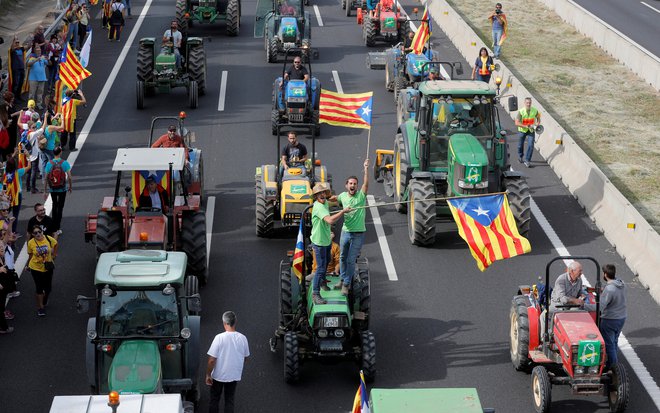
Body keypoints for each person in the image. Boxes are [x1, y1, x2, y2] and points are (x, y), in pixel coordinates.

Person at [310, 183, 351, 304]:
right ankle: (315, 294)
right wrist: (343, 211)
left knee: (327, 260)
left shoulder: (325, 202)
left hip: (326, 240)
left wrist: (344, 198)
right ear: (316, 196)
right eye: (319, 194)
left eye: (323, 193)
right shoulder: (318, 207)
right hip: (319, 243)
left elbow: (334, 200)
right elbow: (330, 220)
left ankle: (322, 282)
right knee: (321, 268)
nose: (322, 195)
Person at [333, 159, 369, 295]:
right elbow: (333, 199)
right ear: (346, 186)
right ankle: (342, 279)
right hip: (345, 232)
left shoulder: (361, 195)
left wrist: (365, 168)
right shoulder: (342, 196)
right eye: (350, 183)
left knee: (350, 260)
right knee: (342, 257)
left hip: (358, 233)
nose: (353, 185)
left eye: (355, 184)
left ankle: (346, 284)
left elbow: (366, 184)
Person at [206, 311, 250, 413]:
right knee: (229, 400)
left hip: (218, 376)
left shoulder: (219, 338)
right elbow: (246, 358)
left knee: (214, 400)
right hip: (234, 376)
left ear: (224, 323)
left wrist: (208, 375)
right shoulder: (243, 338)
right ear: (235, 322)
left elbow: (212, 360)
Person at [599, 264, 627, 371]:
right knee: (614, 341)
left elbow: (601, 306)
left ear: (605, 274)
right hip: (621, 318)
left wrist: (583, 304)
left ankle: (613, 367)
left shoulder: (609, 289)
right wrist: (604, 290)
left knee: (609, 344)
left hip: (610, 320)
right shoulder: (622, 283)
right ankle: (616, 363)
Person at [27, 224, 58, 317]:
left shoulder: (48, 239)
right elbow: (30, 255)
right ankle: (40, 307)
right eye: (35, 233)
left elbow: (55, 244)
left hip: (47, 267)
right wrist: (28, 265)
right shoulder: (31, 243)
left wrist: (54, 255)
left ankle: (44, 299)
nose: (38, 234)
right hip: (35, 268)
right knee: (39, 287)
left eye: (39, 232)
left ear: (42, 231)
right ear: (32, 234)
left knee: (48, 288)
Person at [44, 146, 73, 234]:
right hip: (62, 188)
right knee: (60, 207)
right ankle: (58, 227)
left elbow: (46, 177)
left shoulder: (49, 163)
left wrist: (45, 190)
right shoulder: (64, 163)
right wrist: (70, 187)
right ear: (60, 152)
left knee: (54, 206)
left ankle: (53, 226)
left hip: (53, 188)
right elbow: (70, 177)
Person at [4, 153, 31, 233]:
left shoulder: (4, 171)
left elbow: (9, 162)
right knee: (15, 215)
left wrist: (14, 154)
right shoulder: (18, 172)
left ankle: (4, 229)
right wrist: (28, 157)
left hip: (6, 195)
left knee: (4, 213)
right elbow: (29, 167)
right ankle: (13, 232)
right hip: (17, 195)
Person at [514, 97, 541, 168]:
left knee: (530, 145)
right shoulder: (521, 111)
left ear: (531, 103)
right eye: (527, 103)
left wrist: (537, 124)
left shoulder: (535, 111)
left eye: (529, 103)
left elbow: (538, 119)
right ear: (524, 103)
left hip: (531, 130)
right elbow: (516, 123)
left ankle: (527, 160)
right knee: (520, 145)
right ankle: (520, 156)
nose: (528, 104)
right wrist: (525, 126)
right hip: (522, 130)